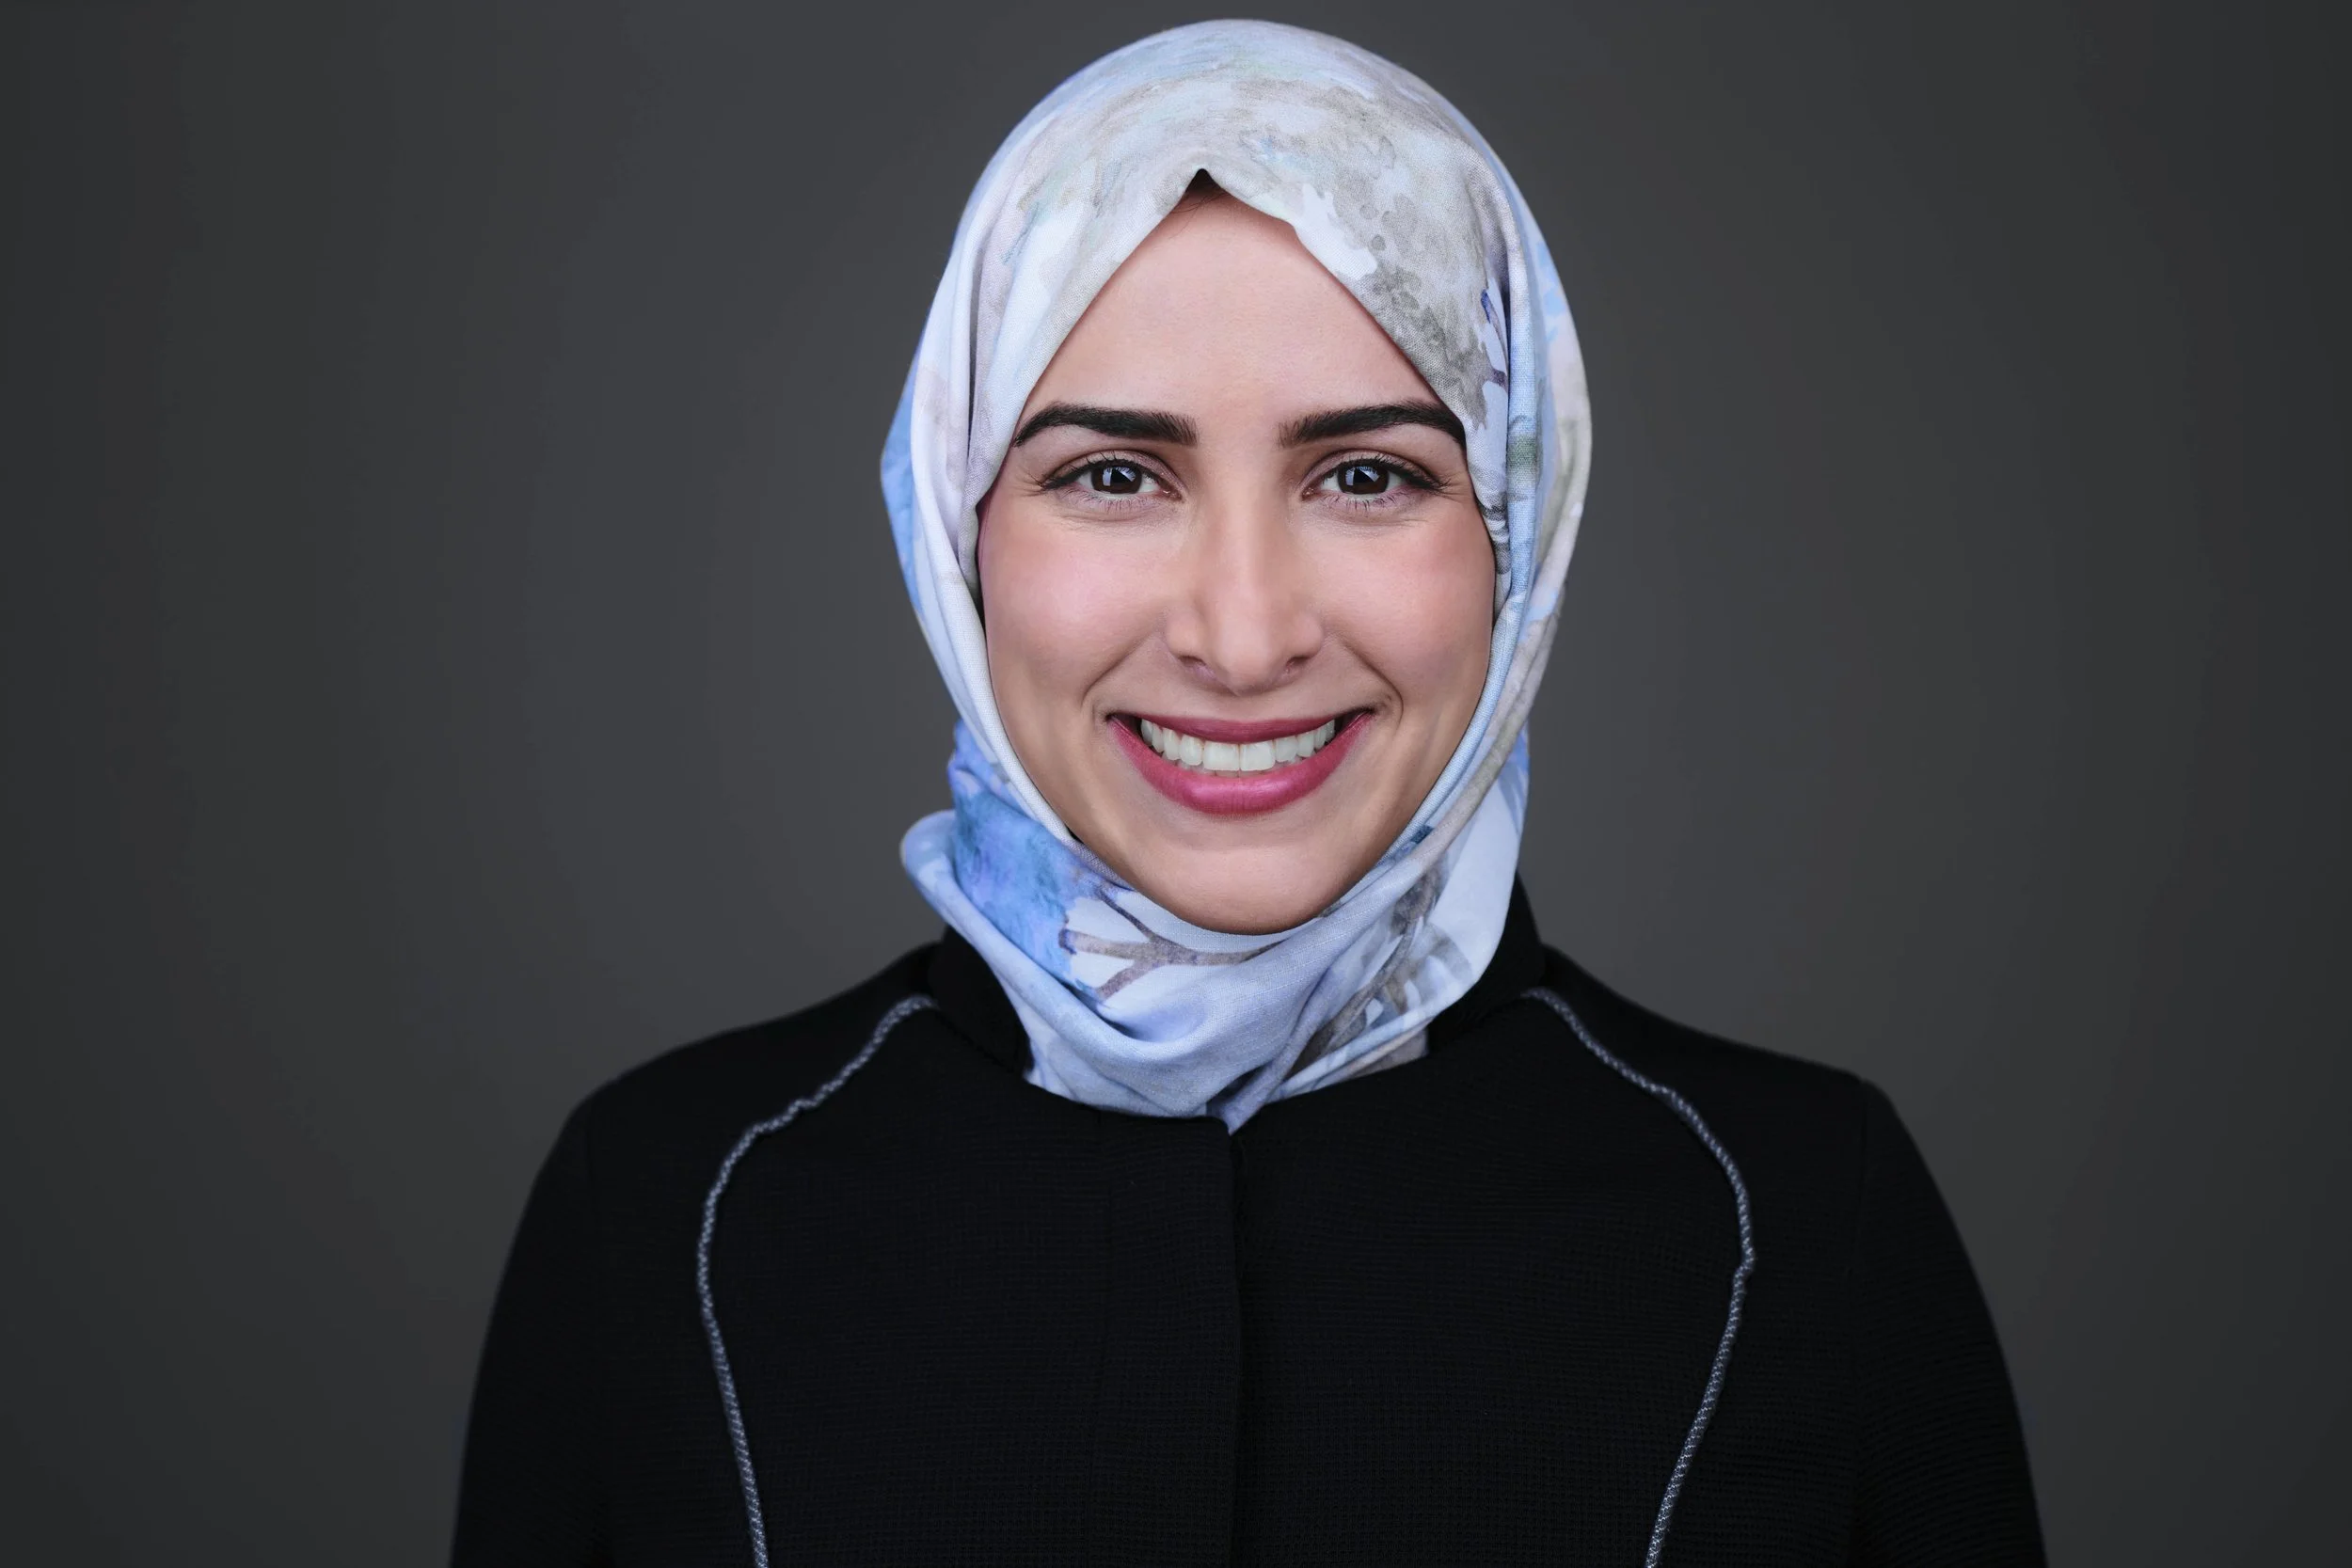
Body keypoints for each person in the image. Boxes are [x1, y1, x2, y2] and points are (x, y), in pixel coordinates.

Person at [453, 21, 2042, 1565]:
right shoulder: (676, 1213)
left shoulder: (1795, 1220)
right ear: (959, 532)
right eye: (1112, 475)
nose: (1241, 632)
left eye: (1369, 475)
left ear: (1518, 528)